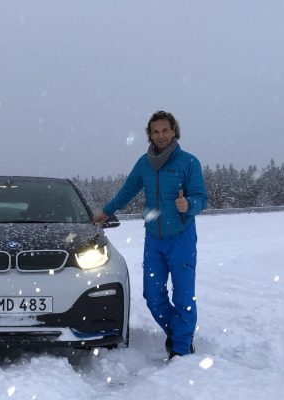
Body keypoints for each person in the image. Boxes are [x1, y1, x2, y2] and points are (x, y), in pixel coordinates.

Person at [93, 110, 207, 360]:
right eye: (155, 131)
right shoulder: (145, 164)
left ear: (174, 131)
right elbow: (127, 190)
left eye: (165, 130)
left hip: (182, 238)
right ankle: (176, 332)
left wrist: (189, 204)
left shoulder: (188, 162)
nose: (161, 136)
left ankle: (180, 350)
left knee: (184, 297)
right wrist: (107, 211)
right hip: (154, 240)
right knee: (152, 296)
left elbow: (201, 197)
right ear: (150, 135)